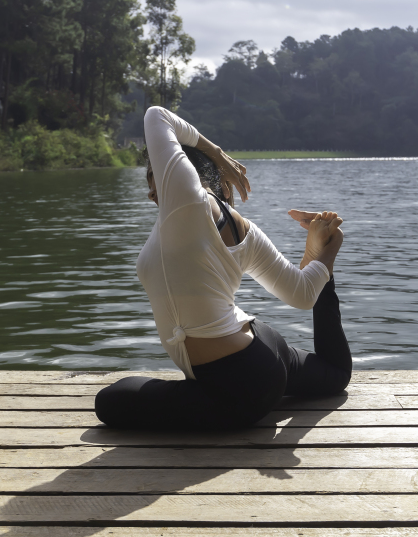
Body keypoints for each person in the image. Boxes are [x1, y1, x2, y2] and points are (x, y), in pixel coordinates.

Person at [94, 106, 351, 430]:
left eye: (154, 179)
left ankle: (197, 393)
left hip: (235, 386)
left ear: (180, 173)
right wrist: (325, 253)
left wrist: (216, 153)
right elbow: (301, 294)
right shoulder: (242, 228)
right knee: (335, 375)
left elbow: (155, 116)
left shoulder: (187, 200)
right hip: (265, 352)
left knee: (110, 400)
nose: (150, 194)